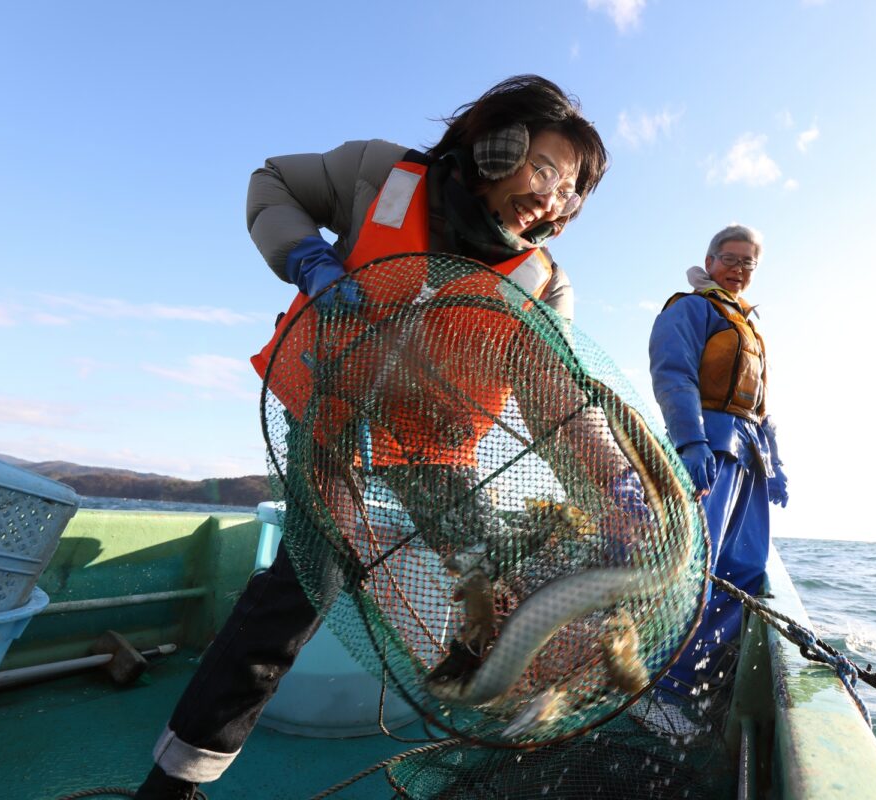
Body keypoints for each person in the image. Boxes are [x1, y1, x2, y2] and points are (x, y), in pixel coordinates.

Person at [136, 75, 619, 799]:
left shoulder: (544, 285)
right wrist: (308, 260)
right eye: (544, 170)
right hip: (331, 409)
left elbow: (556, 402)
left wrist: (613, 483)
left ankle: (502, 701)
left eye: (571, 190)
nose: (552, 198)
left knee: (494, 564)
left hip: (435, 445)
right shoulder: (377, 173)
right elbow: (273, 183)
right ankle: (177, 778)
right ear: (494, 146)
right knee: (311, 578)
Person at [647, 224, 789, 698]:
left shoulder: (750, 327)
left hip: (750, 458)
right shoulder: (690, 308)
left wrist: (777, 464)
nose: (738, 269)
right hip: (708, 450)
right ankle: (654, 681)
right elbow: (674, 373)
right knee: (691, 566)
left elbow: (761, 407)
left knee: (743, 572)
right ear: (709, 262)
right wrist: (690, 441)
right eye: (730, 258)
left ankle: (689, 682)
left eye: (749, 262)